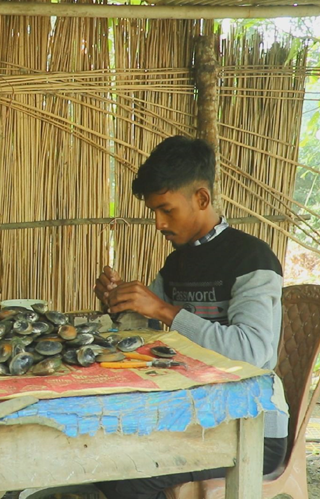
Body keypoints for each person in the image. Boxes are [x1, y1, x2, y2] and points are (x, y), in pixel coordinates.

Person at [93, 136, 288, 499]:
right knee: (99, 457)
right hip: (194, 417)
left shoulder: (252, 260)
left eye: (167, 210)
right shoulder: (177, 261)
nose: (158, 223)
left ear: (201, 198)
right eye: (154, 211)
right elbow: (147, 332)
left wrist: (166, 310)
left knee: (126, 480)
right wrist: (117, 305)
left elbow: (253, 350)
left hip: (251, 429)